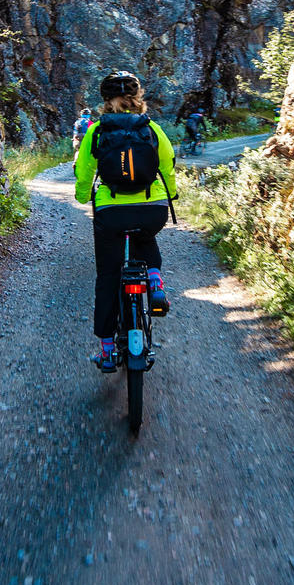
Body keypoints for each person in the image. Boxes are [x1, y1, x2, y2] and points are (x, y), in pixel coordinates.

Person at [73, 70, 177, 370]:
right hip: (153, 207)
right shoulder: (152, 128)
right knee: (146, 234)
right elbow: (167, 163)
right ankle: (155, 279)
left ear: (106, 101)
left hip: (111, 210)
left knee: (108, 277)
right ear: (137, 98)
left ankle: (107, 350)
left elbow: (84, 170)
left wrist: (82, 196)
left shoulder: (97, 130)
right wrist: (170, 194)